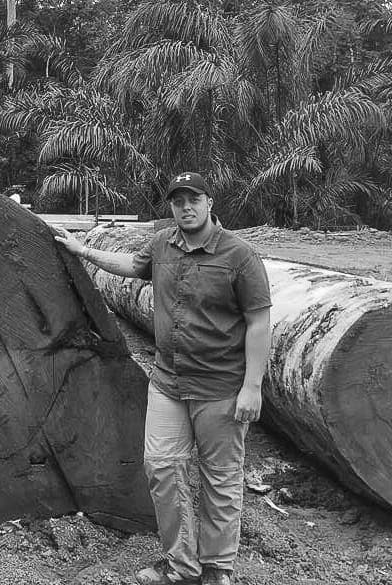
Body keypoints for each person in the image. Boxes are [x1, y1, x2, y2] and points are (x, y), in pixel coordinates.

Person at [54, 171, 271, 585]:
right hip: (169, 382)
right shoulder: (163, 245)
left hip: (220, 387)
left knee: (220, 478)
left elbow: (259, 322)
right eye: (177, 201)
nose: (185, 208)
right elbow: (132, 267)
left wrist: (252, 387)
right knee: (161, 468)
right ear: (171, 206)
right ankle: (182, 565)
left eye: (193, 199)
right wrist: (83, 250)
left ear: (209, 202)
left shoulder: (239, 256)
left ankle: (217, 569)